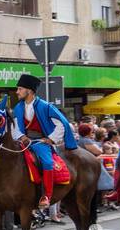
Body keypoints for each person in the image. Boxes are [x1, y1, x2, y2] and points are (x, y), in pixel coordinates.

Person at [9, 74, 77, 209]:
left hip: (40, 141)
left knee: (47, 162)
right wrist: (22, 137)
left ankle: (47, 195)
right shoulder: (17, 108)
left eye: (20, 89)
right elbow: (14, 127)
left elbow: (62, 124)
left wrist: (50, 139)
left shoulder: (45, 106)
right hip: (23, 141)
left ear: (29, 90)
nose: (17, 92)